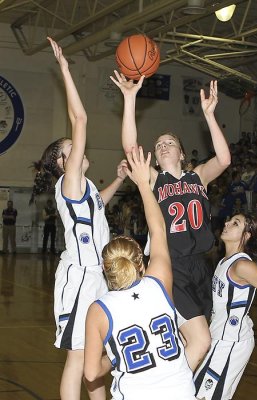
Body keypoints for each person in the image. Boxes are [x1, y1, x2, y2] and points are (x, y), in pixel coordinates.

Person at [110, 70, 231, 371]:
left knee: (192, 341)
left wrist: (210, 115)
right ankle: (169, 389)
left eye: (169, 143)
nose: (163, 146)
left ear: (181, 154)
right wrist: (129, 98)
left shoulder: (198, 176)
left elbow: (225, 159)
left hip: (200, 266)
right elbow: (129, 146)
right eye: (159, 144)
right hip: (170, 265)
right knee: (201, 341)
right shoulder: (154, 179)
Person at [30, 38, 127, 400]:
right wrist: (66, 71)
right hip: (79, 278)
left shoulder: (83, 188)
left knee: (96, 355)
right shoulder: (68, 181)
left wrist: (118, 179)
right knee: (77, 357)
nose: (78, 145)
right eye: (70, 147)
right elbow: (81, 117)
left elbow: (97, 206)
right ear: (61, 162)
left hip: (99, 277)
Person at [84, 146, 196, 400]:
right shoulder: (158, 283)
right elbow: (158, 231)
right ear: (141, 264)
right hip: (182, 392)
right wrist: (144, 185)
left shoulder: (98, 310)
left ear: (105, 270)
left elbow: (91, 374)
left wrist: (116, 357)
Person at [194, 213, 257, 400]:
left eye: (236, 223)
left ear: (246, 235)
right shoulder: (224, 261)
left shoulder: (242, 265)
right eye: (229, 220)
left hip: (231, 342)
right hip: (218, 337)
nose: (227, 223)